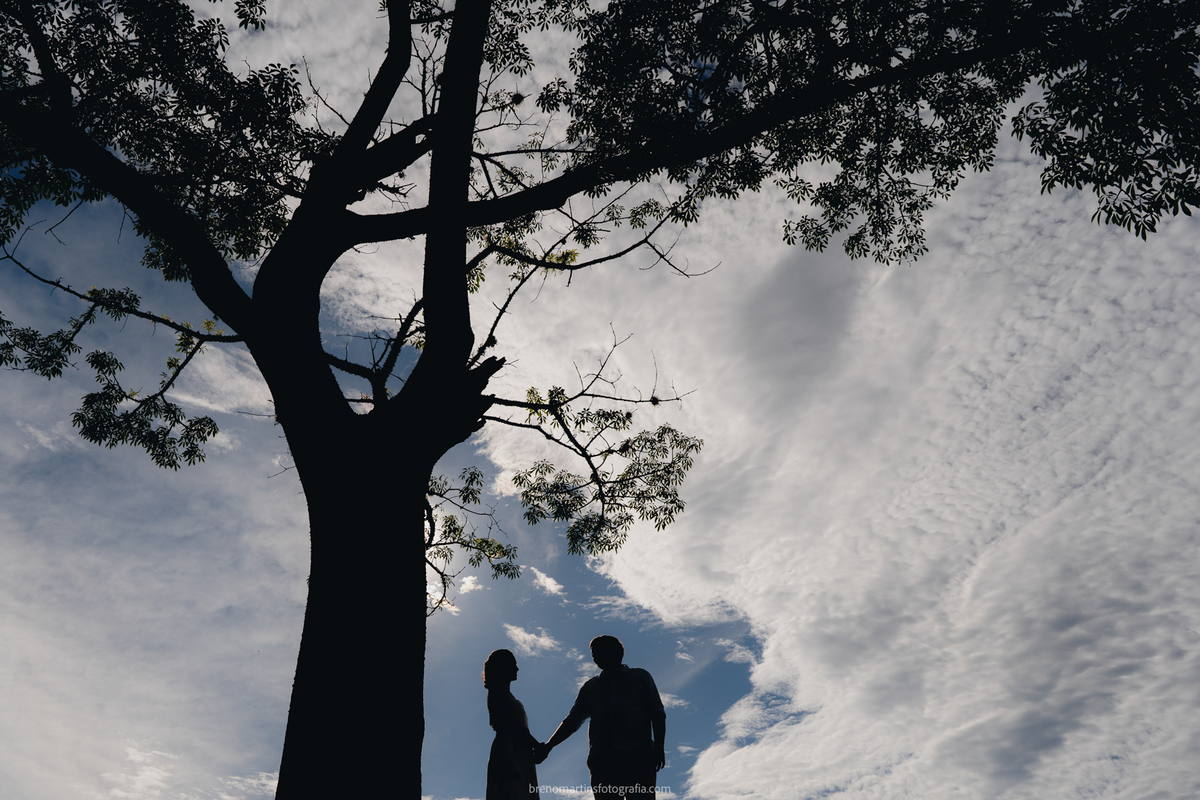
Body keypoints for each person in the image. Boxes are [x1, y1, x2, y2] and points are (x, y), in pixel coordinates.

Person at [535, 635, 666, 800]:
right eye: (593, 653)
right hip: (604, 761)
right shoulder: (591, 687)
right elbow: (573, 720)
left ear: (616, 652)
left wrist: (659, 748)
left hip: (638, 756)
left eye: (599, 652)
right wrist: (549, 746)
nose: (595, 657)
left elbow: (657, 714)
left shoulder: (640, 677)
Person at [483, 649, 540, 799]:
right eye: (513, 664)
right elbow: (513, 726)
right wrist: (537, 746)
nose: (517, 669)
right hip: (509, 752)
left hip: (517, 750)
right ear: (503, 667)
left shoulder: (504, 693)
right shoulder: (498, 692)